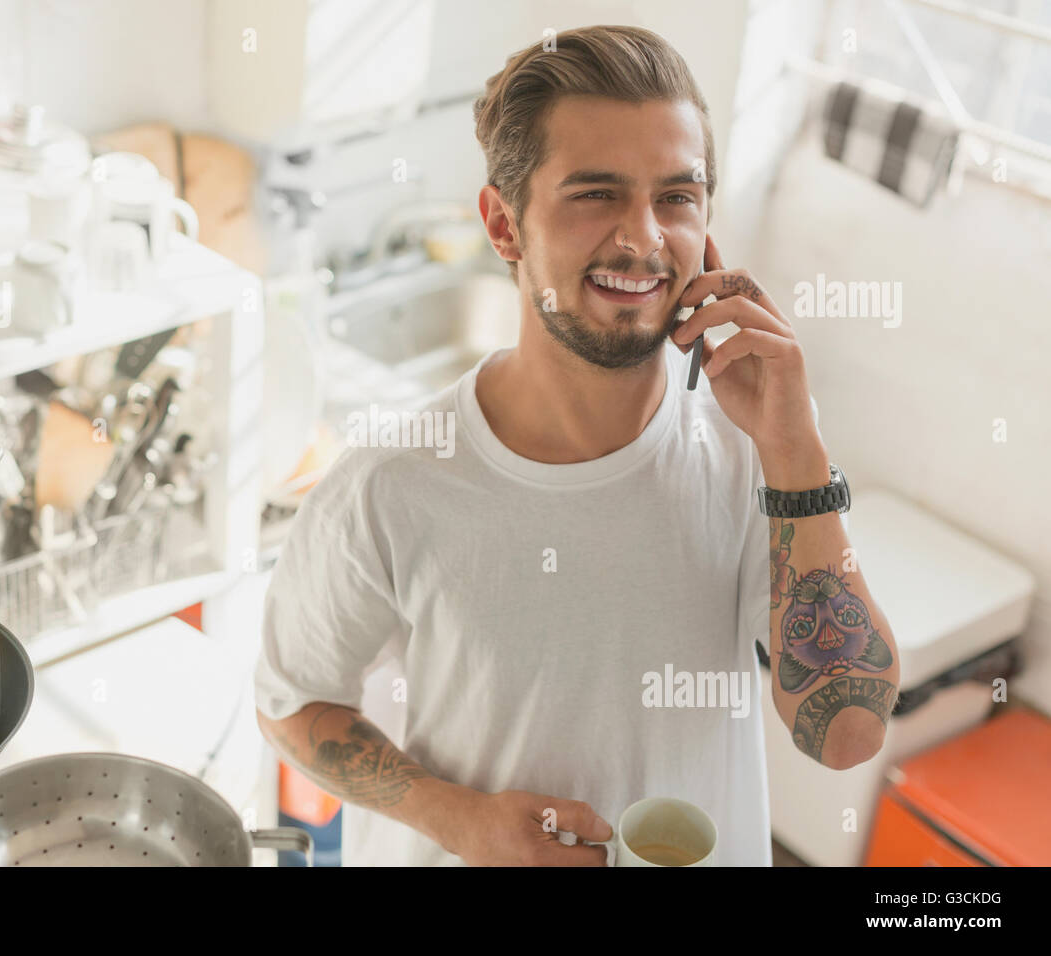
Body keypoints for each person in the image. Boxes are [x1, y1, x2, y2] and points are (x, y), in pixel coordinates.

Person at [254, 24, 900, 866]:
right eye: (596, 194)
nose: (643, 238)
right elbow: (293, 706)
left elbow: (848, 733)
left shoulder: (757, 461)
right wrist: (460, 819)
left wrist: (797, 453)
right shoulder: (390, 482)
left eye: (677, 196)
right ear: (503, 225)